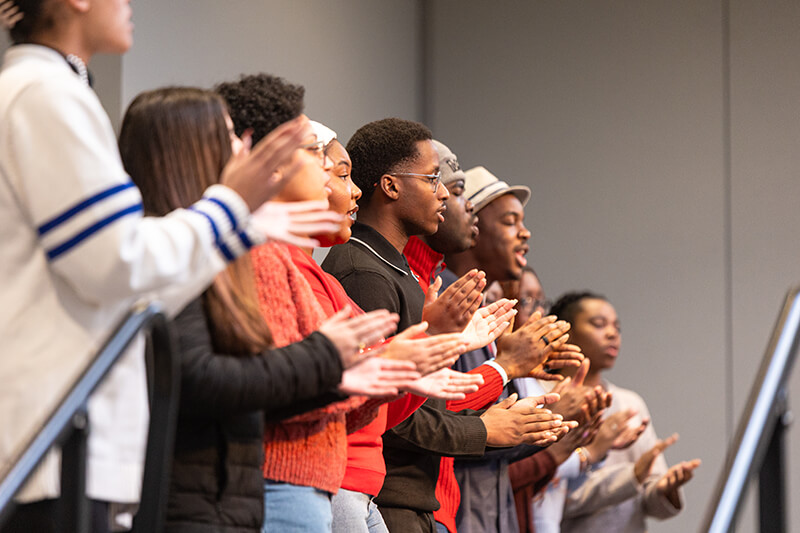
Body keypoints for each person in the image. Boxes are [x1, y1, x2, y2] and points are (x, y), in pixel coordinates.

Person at [0, 2, 322, 531]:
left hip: (67, 452)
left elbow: (133, 299)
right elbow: (119, 266)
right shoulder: (45, 93)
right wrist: (227, 208)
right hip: (54, 446)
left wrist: (238, 227)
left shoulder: (50, 90)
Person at [118, 86, 415, 532]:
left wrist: (352, 376)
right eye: (226, 139)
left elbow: (255, 381)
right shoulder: (211, 254)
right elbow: (207, 379)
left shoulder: (234, 251)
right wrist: (333, 364)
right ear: (188, 153)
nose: (240, 150)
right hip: (238, 490)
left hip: (246, 490)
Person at [323, 118, 568, 533]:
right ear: (391, 186)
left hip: (407, 499)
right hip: (386, 497)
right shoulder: (364, 273)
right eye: (434, 180)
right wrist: (486, 423)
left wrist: (486, 372)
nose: (444, 194)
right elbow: (388, 412)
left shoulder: (391, 271)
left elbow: (418, 394)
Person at [423, 163, 589, 533]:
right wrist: (511, 373)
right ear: (475, 227)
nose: (525, 233)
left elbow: (493, 430)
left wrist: (543, 418)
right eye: (511, 221)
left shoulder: (481, 308)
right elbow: (440, 423)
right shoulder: (448, 303)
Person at [549, 292, 701, 533]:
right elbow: (550, 496)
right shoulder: (547, 400)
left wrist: (665, 489)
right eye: (599, 324)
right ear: (564, 334)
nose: (612, 333)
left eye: (617, 327)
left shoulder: (629, 403)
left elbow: (649, 493)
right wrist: (632, 475)